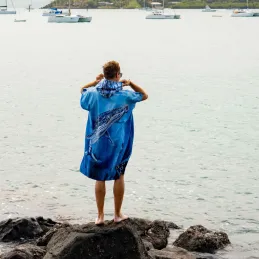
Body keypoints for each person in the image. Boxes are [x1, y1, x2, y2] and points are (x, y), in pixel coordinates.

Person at [80, 61, 148, 225]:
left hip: (98, 142)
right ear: (117, 75)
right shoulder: (124, 95)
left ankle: (100, 216)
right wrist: (130, 83)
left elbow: (82, 91)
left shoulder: (93, 93)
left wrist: (94, 82)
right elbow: (144, 95)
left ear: (104, 75)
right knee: (119, 174)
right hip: (118, 142)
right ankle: (117, 214)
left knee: (100, 177)